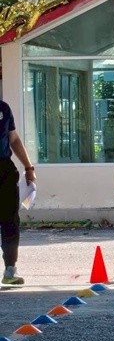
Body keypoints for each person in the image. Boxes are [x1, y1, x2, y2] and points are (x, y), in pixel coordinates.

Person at [0, 101, 36, 285]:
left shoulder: (3, 108)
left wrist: (28, 167)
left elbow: (13, 139)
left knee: (10, 220)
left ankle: (10, 269)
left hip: (4, 169)